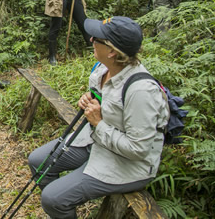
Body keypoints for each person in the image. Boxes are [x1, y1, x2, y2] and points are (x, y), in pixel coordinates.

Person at [27, 16, 169, 218]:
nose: (91, 40)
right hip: (95, 141)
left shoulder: (141, 91)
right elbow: (109, 104)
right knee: (37, 161)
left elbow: (139, 150)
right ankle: (62, 207)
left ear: (112, 51)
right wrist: (89, 100)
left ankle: (59, 203)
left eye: (97, 39)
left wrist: (99, 123)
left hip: (127, 163)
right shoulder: (104, 70)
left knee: (52, 198)